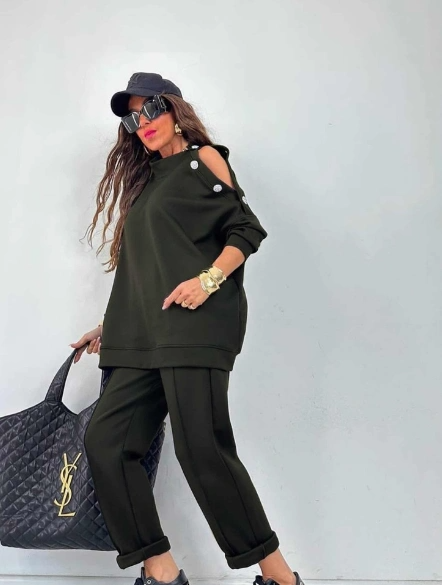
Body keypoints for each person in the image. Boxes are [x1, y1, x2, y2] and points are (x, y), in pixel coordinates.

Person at [70, 72, 304, 585]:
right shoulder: (146, 186)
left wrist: (208, 280)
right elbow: (147, 269)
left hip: (196, 328)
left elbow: (245, 229)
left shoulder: (204, 160)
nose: (143, 123)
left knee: (202, 450)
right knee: (107, 442)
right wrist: (108, 325)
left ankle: (279, 577)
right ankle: (161, 572)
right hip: (143, 336)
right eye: (132, 119)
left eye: (151, 109)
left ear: (174, 109)